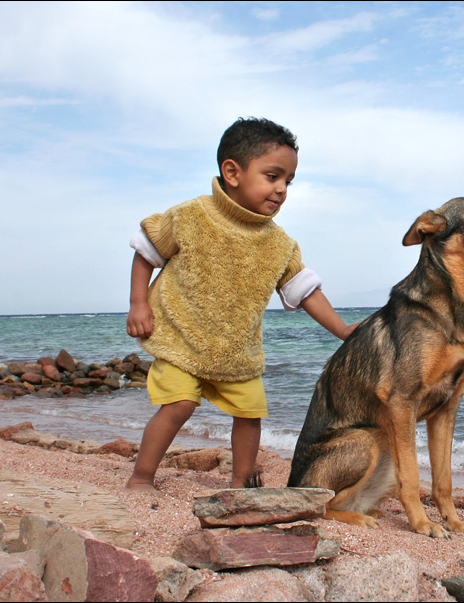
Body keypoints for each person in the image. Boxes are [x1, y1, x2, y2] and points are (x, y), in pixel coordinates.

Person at [124, 117, 356, 493]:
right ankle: (141, 477)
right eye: (272, 176)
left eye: (288, 182)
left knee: (250, 415)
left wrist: (344, 330)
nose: (281, 190)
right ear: (232, 172)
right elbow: (147, 252)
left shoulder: (279, 243)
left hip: (236, 351)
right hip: (180, 338)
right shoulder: (190, 216)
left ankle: (240, 483)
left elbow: (305, 291)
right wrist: (138, 303)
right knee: (179, 406)